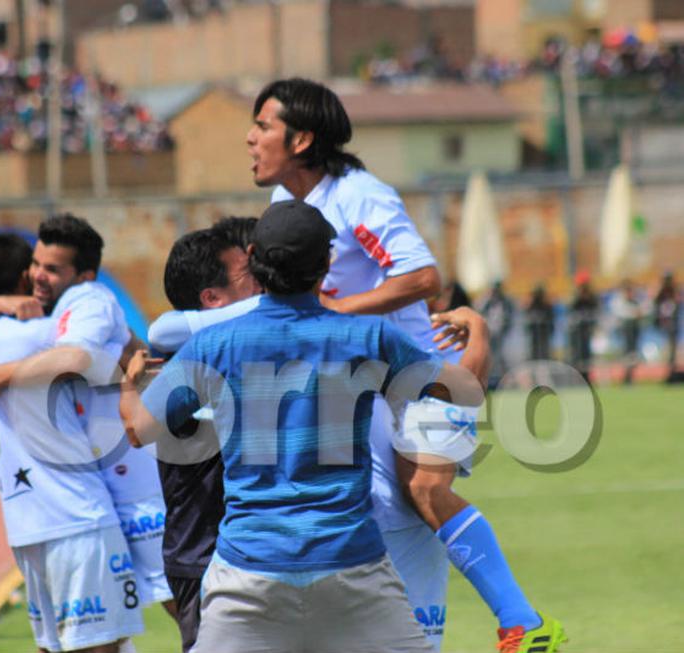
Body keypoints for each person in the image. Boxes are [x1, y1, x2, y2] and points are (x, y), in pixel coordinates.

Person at [245, 77, 565, 652]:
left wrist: (340, 310)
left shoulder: (357, 195)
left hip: (420, 379)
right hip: (363, 393)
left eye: (263, 125)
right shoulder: (285, 207)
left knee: (422, 490)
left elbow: (421, 278)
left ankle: (525, 621)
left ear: (301, 140)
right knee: (373, 506)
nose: (250, 138)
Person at [122, 201, 489, 653]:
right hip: (352, 566)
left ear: (254, 257)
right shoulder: (367, 337)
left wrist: (128, 385)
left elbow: (139, 429)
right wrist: (478, 331)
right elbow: (462, 394)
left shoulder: (213, 344)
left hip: (248, 571)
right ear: (327, 265)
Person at [0, 217, 175, 620]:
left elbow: (74, 358)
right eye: (37, 265)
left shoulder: (89, 302)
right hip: (93, 494)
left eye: (52, 268)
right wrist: (1, 303)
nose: (39, 276)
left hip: (132, 488)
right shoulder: (39, 320)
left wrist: (0, 374)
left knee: (180, 606)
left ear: (84, 276)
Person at [0, 234, 143, 653]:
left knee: (52, 646)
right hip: (76, 516)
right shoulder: (36, 336)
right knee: (103, 645)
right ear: (27, 278)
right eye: (39, 270)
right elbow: (92, 349)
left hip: (26, 525)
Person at [146, 218, 260, 652]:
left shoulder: (243, 346)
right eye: (248, 276)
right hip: (204, 560)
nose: (262, 284)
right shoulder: (182, 360)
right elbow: (162, 331)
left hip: (253, 555)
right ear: (212, 299)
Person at [478, 281, 515, 384]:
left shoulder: (505, 301)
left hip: (500, 332)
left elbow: (509, 314)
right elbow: (479, 309)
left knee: (500, 355)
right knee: (488, 355)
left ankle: (502, 378)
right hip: (488, 332)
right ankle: (489, 378)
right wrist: (487, 297)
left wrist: (506, 327)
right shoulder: (487, 301)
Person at [610, 280, 644, 384]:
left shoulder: (635, 302)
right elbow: (622, 314)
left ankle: (630, 377)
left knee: (633, 355)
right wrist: (634, 313)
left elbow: (641, 312)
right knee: (626, 355)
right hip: (624, 333)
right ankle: (625, 377)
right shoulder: (618, 301)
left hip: (634, 332)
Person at [568, 271, 598, 384]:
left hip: (586, 330)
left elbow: (596, 308)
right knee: (576, 354)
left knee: (586, 354)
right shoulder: (574, 295)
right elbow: (570, 307)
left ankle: (586, 378)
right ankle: (576, 379)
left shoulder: (592, 296)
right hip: (575, 331)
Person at [653, 272, 681, 381]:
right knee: (668, 350)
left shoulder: (675, 292)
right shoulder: (662, 293)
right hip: (664, 325)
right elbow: (656, 303)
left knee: (672, 350)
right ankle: (669, 373)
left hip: (672, 325)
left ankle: (672, 374)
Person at [525, 285, 554, 362]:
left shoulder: (546, 305)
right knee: (533, 352)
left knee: (545, 352)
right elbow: (527, 316)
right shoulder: (531, 305)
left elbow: (550, 318)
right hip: (534, 334)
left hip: (544, 333)